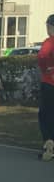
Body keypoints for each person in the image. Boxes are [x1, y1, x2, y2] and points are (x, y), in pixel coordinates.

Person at [37, 15, 54, 161]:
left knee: (46, 115)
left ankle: (49, 145)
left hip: (49, 83)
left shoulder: (49, 42)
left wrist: (47, 69)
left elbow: (42, 57)